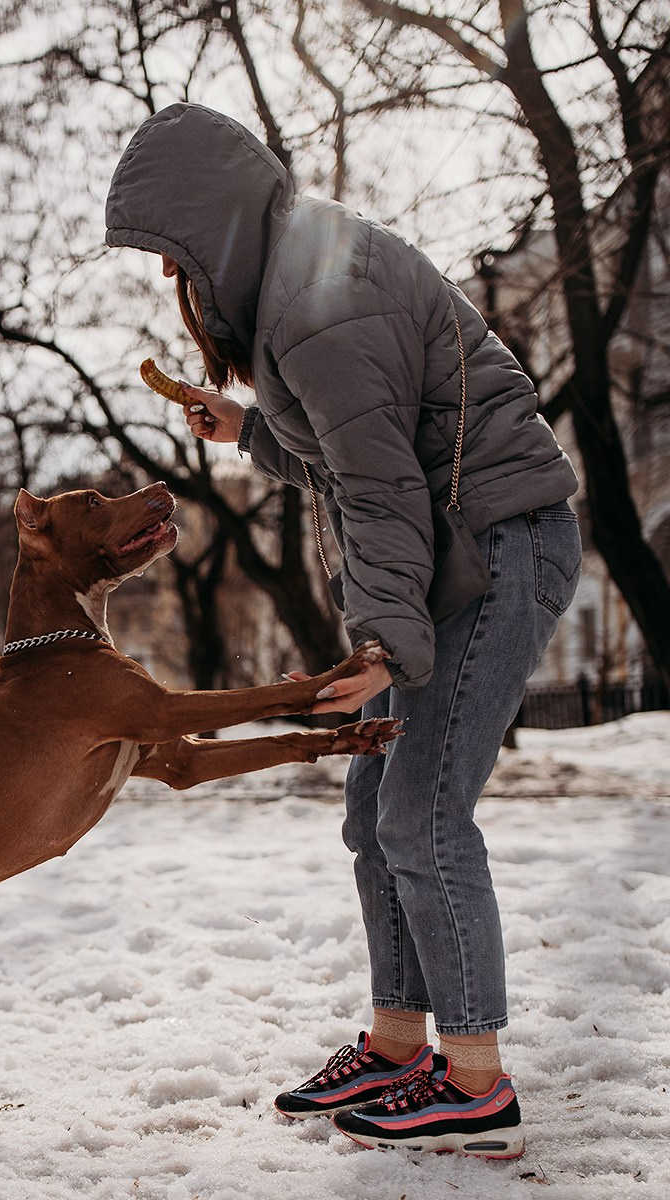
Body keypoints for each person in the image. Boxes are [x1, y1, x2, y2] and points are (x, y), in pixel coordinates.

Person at [106, 103, 582, 1159]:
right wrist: (254, 431)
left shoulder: (317, 307)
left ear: (215, 234)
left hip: (499, 545)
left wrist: (379, 650)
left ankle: (475, 1080)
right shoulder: (304, 283)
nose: (179, 287)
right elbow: (346, 448)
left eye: (178, 259)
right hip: (459, 547)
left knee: (422, 810)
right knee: (375, 813)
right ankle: (400, 1043)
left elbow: (377, 491)